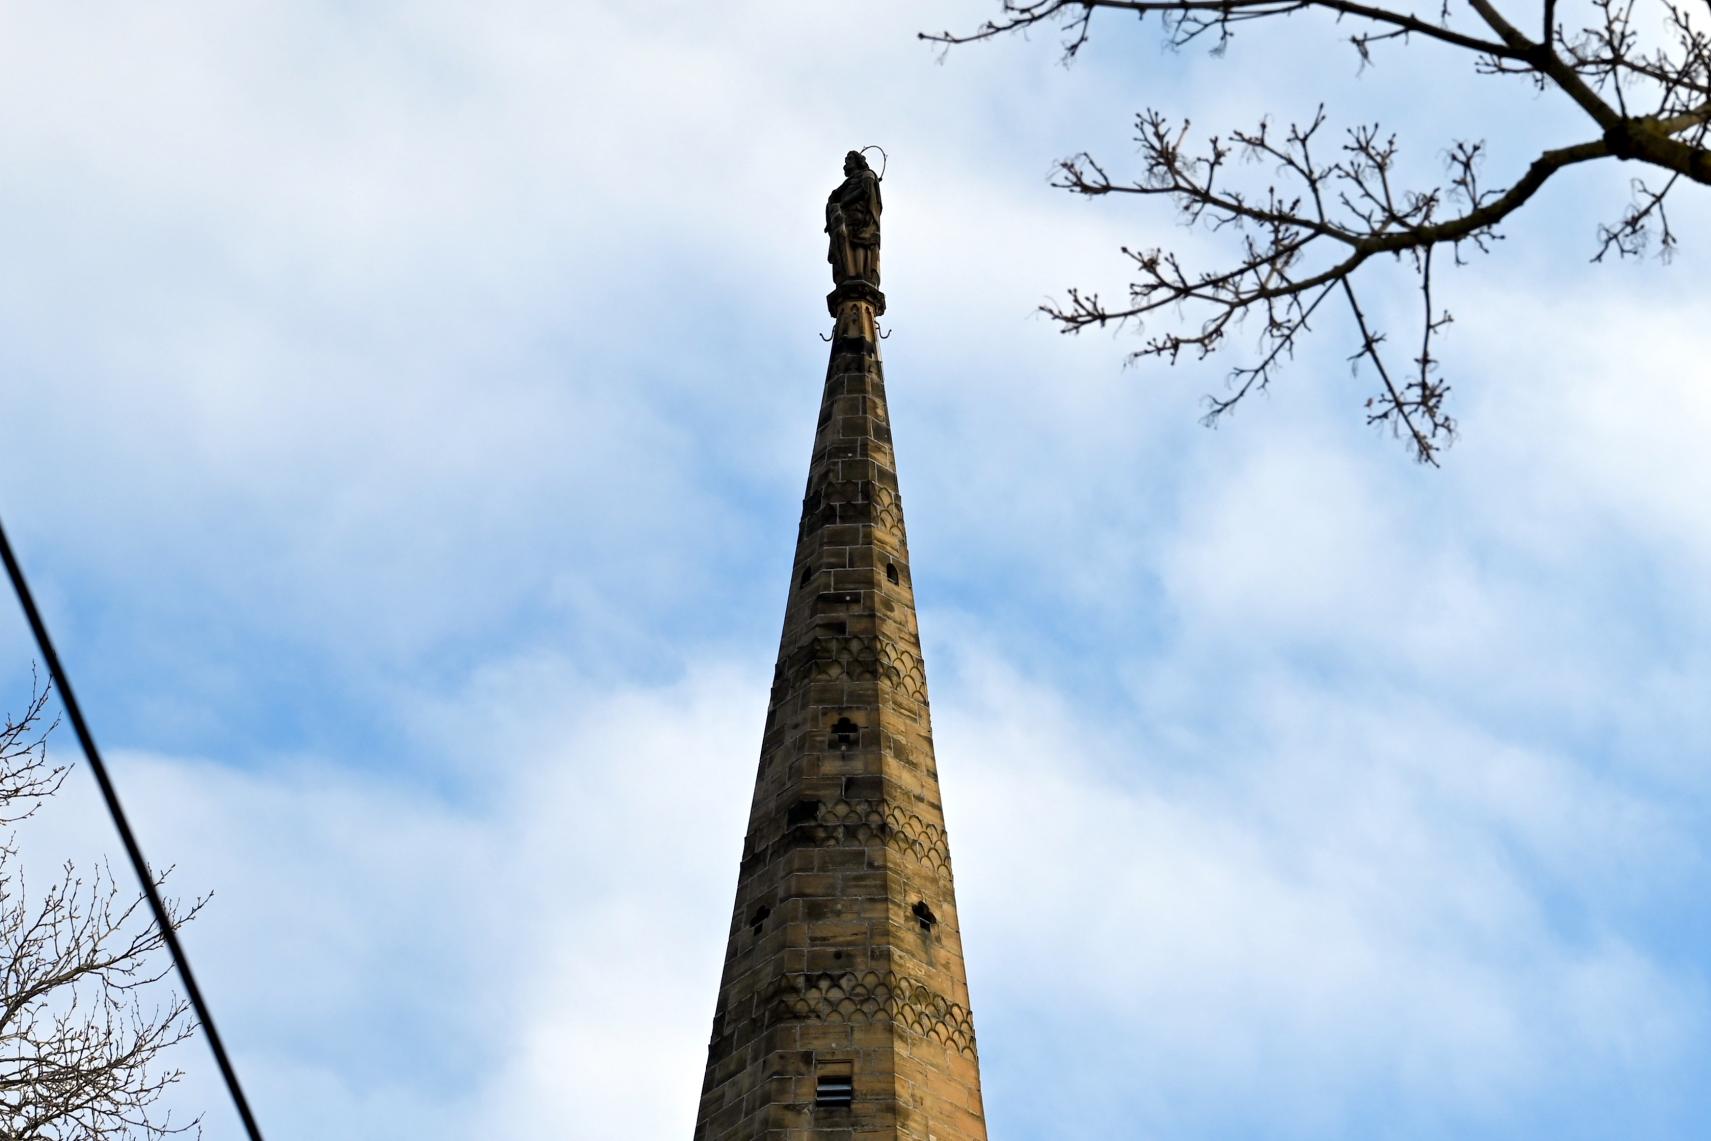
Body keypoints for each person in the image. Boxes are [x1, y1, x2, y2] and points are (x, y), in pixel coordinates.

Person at [826, 150, 882, 286]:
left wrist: (842, 204)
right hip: (845, 218)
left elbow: (866, 191)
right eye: (846, 159)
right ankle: (849, 274)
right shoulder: (846, 184)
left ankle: (860, 274)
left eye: (850, 158)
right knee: (844, 243)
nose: (846, 161)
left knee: (860, 242)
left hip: (860, 217)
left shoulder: (867, 174)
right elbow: (833, 197)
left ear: (858, 161)